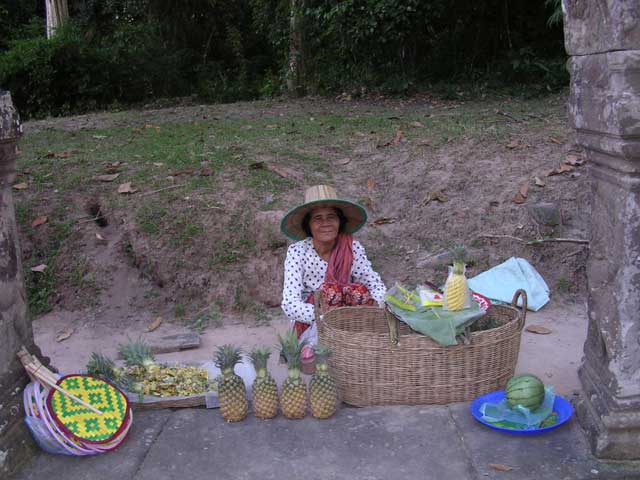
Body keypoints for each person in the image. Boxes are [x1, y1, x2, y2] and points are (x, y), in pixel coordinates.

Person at [280, 185, 386, 348]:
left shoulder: (352, 248)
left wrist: (367, 309)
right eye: (318, 218)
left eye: (331, 217)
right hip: (314, 317)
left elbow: (376, 286)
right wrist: (327, 317)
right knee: (330, 293)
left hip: (349, 316)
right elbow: (290, 304)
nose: (325, 223)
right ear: (308, 225)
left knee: (358, 292)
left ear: (339, 221)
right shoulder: (297, 252)